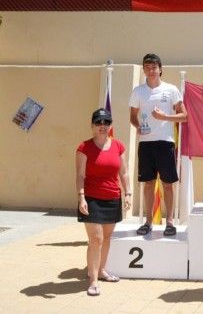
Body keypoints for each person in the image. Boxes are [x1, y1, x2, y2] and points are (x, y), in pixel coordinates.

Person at [129, 53, 187, 236]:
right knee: (148, 184)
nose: (151, 70)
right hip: (146, 143)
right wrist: (138, 126)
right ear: (144, 70)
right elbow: (132, 116)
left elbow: (184, 116)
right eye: (147, 67)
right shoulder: (138, 91)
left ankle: (170, 222)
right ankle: (148, 222)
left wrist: (164, 117)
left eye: (154, 67)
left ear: (160, 69)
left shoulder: (171, 90)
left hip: (165, 142)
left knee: (168, 184)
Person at [76, 108, 132, 296]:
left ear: (110, 126)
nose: (102, 126)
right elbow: (80, 175)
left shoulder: (118, 146)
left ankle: (101, 271)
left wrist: (128, 194)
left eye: (106, 122)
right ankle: (92, 281)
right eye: (98, 122)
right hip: (91, 199)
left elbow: (123, 172)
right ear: (92, 125)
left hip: (112, 197)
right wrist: (81, 197)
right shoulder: (84, 147)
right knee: (96, 239)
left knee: (106, 238)